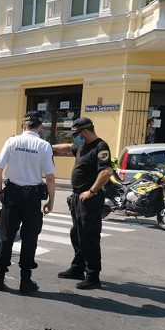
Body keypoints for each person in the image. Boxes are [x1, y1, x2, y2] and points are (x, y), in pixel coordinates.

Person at [0, 111, 56, 294]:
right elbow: (50, 178)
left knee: (6, 237)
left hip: (12, 195)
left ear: (23, 126)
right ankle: (25, 281)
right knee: (29, 240)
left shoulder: (12, 142)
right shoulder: (44, 146)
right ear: (40, 127)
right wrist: (51, 201)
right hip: (32, 199)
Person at [52, 117, 113, 290]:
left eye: (77, 134)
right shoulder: (81, 145)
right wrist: (47, 147)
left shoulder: (100, 147)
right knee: (77, 234)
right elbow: (67, 148)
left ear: (85, 132)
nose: (75, 138)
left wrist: (91, 191)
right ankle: (77, 268)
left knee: (89, 237)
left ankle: (93, 275)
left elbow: (106, 172)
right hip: (78, 198)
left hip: (90, 200)